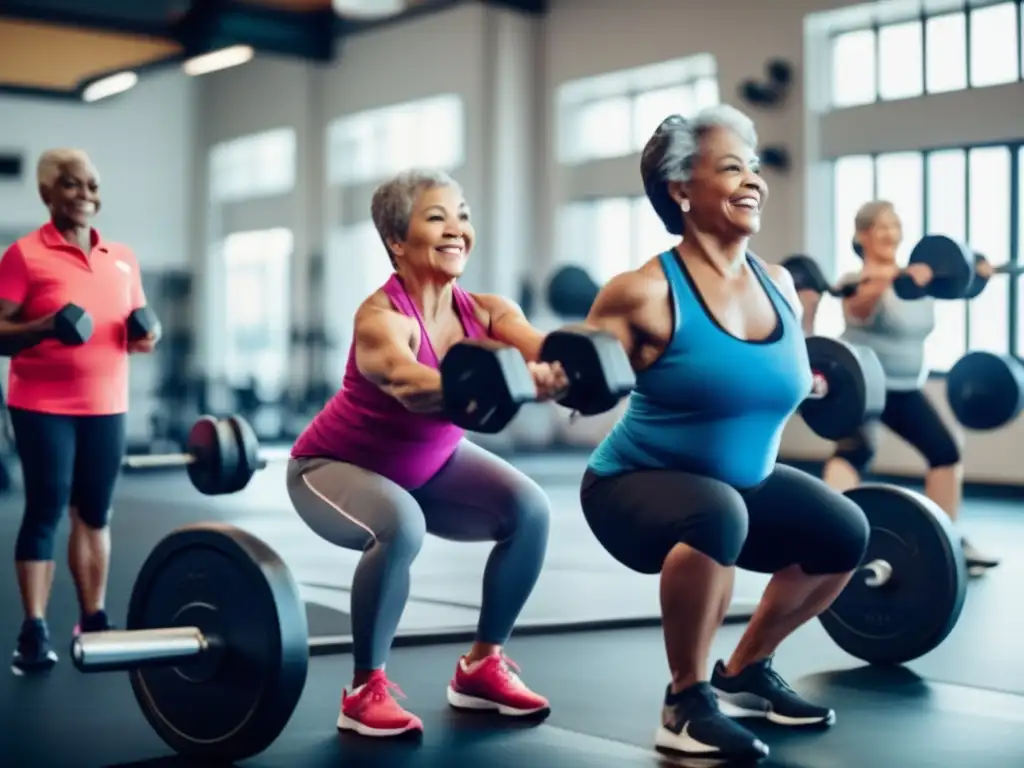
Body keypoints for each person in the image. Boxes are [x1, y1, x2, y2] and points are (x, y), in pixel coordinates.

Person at [576, 108, 871, 764]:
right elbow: (581, 373)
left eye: (756, 167)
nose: (753, 181)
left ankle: (743, 672)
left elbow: (789, 374)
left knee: (844, 530)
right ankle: (685, 703)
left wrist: (819, 384)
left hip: (740, 486)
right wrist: (554, 375)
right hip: (629, 486)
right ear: (682, 190)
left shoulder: (782, 287)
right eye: (732, 167)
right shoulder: (643, 292)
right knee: (718, 515)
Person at [287, 169, 564, 738]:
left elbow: (541, 347)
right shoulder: (381, 318)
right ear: (396, 239)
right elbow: (410, 383)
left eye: (463, 215)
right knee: (401, 525)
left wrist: (565, 371)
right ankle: (364, 691)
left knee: (530, 511)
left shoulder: (486, 310)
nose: (457, 229)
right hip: (331, 469)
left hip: (431, 468)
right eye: (437, 218)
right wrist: (504, 383)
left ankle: (482, 666)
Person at [0, 148, 159, 676]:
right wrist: (44, 327)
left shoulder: (122, 257)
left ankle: (93, 619)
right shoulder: (22, 256)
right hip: (42, 405)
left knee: (95, 512)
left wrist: (148, 334)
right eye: (71, 185)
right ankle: (34, 629)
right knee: (45, 509)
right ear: (46, 193)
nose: (86, 195)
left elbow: (137, 332)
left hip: (107, 405)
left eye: (92, 185)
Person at [821, 201, 999, 576]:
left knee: (945, 450)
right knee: (857, 450)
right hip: (862, 384)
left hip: (903, 387)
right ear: (861, 236)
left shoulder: (921, 278)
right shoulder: (857, 280)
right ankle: (827, 537)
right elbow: (858, 310)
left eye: (895, 225)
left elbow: (959, 285)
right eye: (881, 227)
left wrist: (977, 271)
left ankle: (948, 541)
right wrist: (893, 280)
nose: (890, 233)